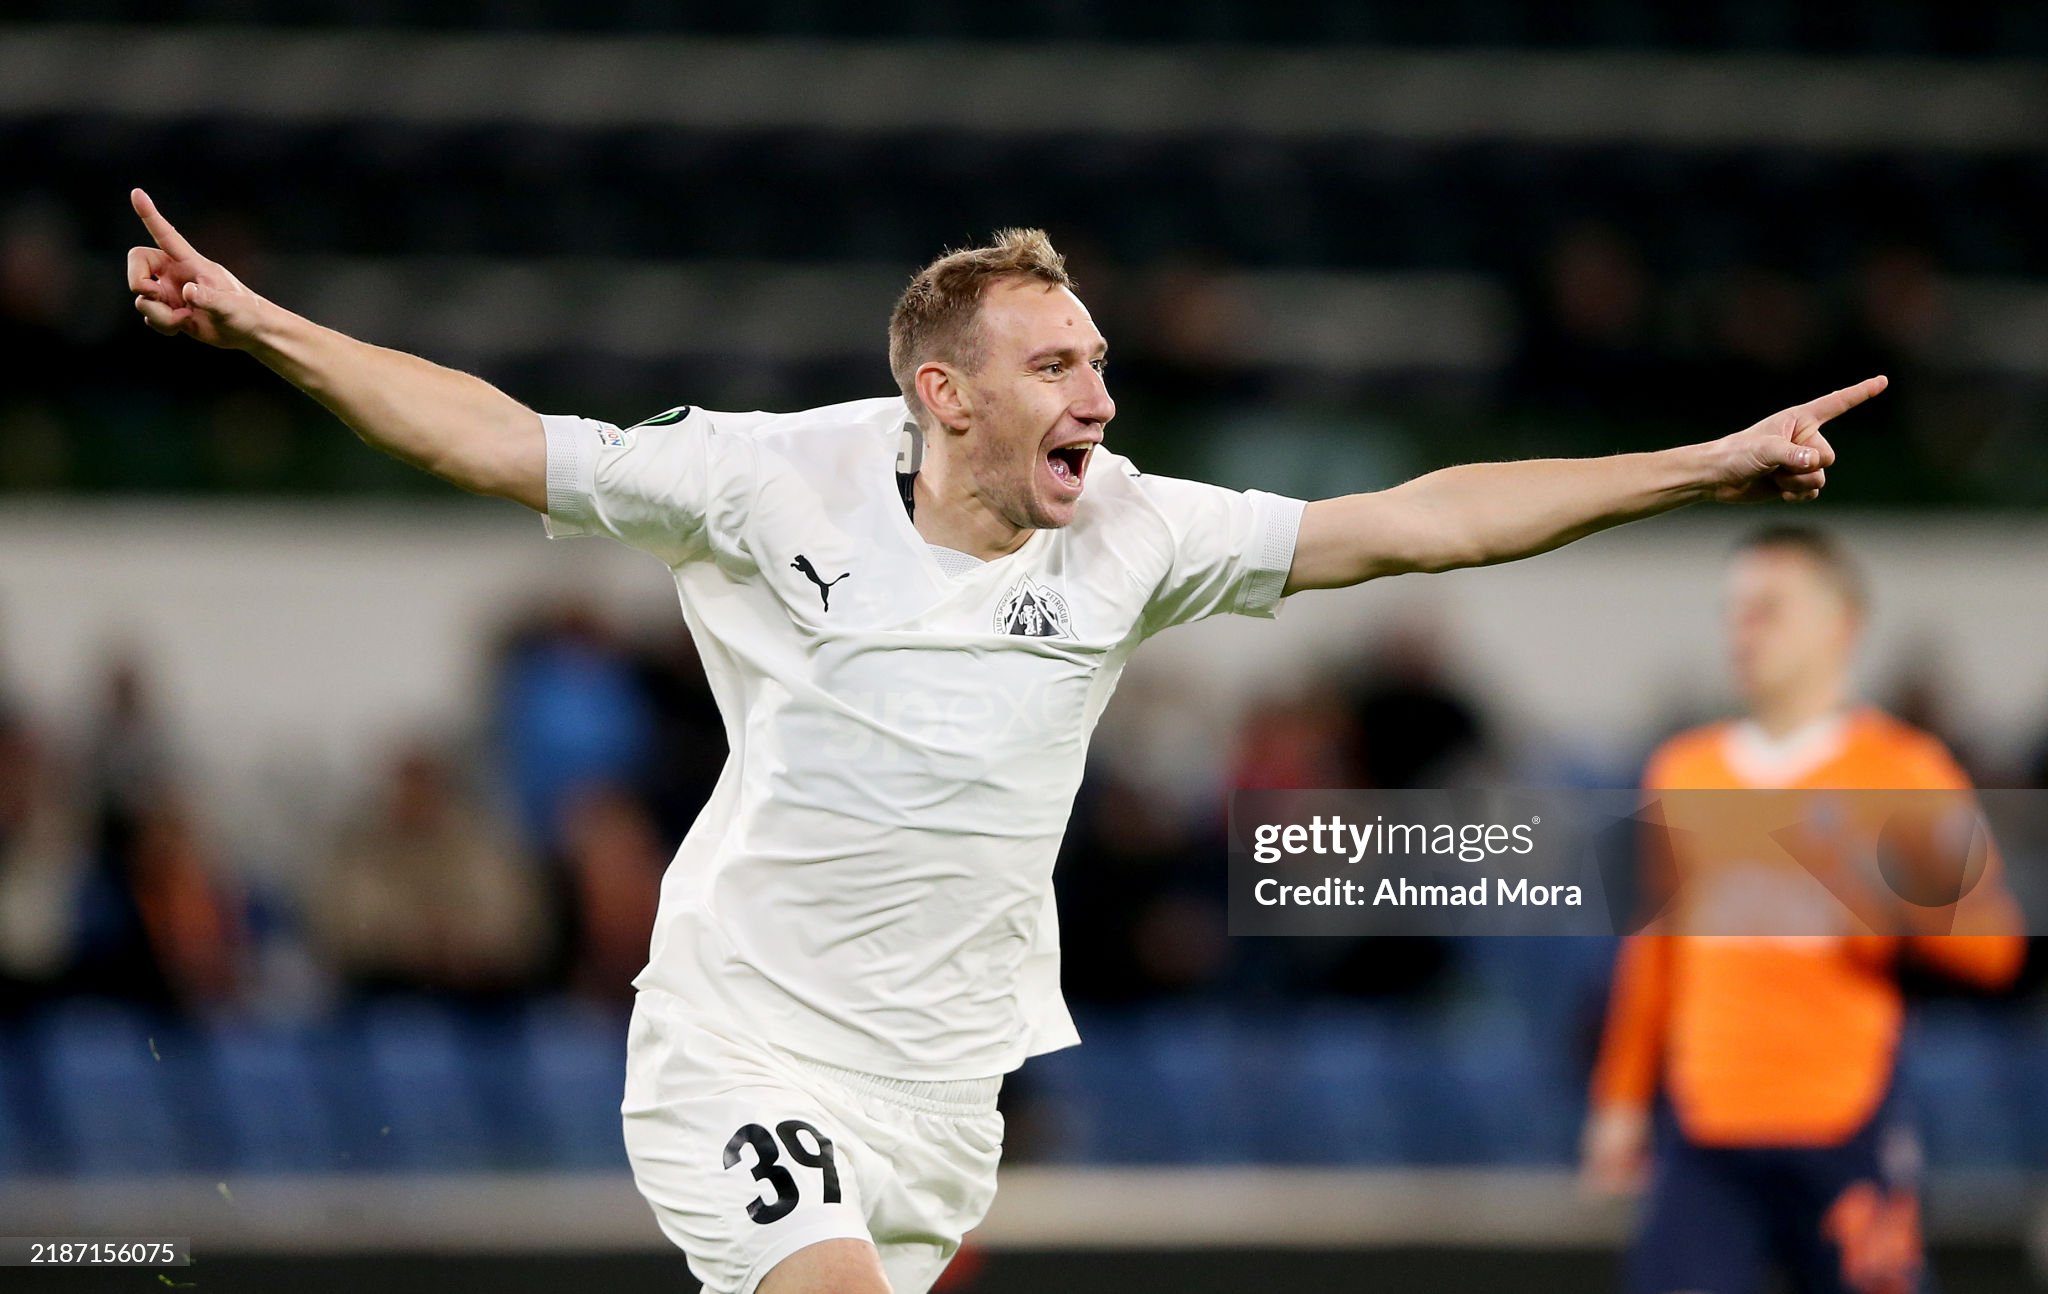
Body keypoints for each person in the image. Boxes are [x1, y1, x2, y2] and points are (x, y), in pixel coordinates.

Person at [128, 186, 1882, 1294]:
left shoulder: (1130, 527)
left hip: (943, 1086)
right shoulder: (761, 479)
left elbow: (1417, 520)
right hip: (741, 1042)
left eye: (1099, 360)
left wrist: (1696, 465)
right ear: (942, 393)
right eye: (1054, 365)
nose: (1098, 397)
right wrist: (265, 324)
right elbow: (496, 438)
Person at [1581, 527, 2026, 1294]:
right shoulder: (1683, 770)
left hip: (1841, 1122)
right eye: (1734, 612)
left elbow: (1995, 950)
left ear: (1839, 624)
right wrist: (1619, 1100)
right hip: (1707, 1128)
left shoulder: (1903, 771)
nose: (1742, 632)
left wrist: (1881, 901)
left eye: (1768, 610)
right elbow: (1652, 955)